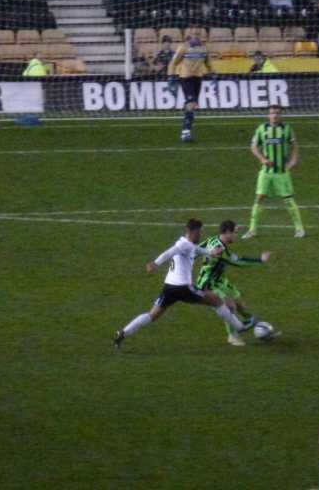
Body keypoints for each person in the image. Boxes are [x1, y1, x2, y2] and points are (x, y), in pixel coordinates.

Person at [113, 219, 249, 348]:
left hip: (169, 288)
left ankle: (123, 333)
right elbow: (170, 252)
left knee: (152, 315)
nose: (201, 235)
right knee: (216, 300)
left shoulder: (188, 244)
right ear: (192, 232)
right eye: (199, 232)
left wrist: (212, 252)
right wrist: (155, 263)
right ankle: (239, 327)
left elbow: (198, 250)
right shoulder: (183, 244)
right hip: (183, 288)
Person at [196, 220, 272, 346]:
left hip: (219, 280)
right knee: (229, 306)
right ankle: (233, 336)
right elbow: (238, 262)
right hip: (207, 284)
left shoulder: (212, 239)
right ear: (227, 232)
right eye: (235, 233)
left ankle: (250, 320)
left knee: (239, 302)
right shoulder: (220, 250)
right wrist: (260, 260)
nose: (236, 236)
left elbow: (197, 249)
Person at [242, 105, 305, 239]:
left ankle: (299, 229)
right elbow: (253, 146)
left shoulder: (287, 129)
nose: (274, 116)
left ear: (280, 115)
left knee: (288, 200)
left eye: (277, 113)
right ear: (268, 115)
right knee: (259, 198)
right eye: (272, 113)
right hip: (266, 172)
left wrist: (294, 159)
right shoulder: (262, 129)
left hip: (282, 172)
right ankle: (252, 230)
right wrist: (262, 159)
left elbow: (294, 145)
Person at [168, 33, 213, 142]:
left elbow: (208, 64)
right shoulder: (183, 48)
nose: (199, 38)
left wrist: (213, 74)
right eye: (195, 36)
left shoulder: (204, 49)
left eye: (199, 36)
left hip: (198, 78)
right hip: (186, 78)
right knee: (191, 104)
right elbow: (173, 63)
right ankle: (185, 132)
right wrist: (171, 78)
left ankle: (187, 121)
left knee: (193, 105)